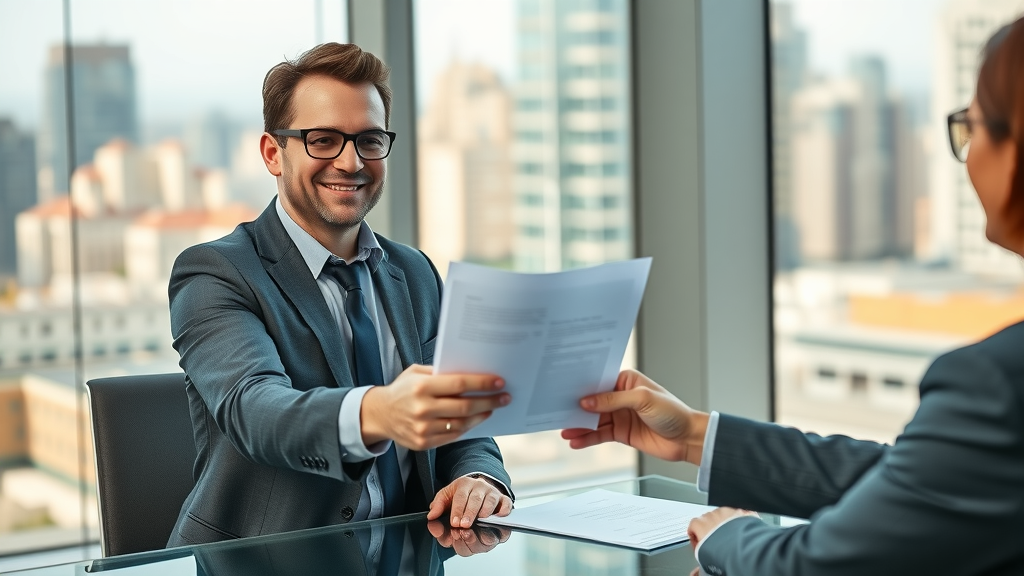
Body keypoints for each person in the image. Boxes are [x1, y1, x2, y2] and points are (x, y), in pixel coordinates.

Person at [563, 17, 1024, 576]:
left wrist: (727, 539)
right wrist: (695, 436)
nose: (969, 153)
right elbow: (922, 485)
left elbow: (819, 566)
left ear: (1014, 151)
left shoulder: (998, 383)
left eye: (971, 126)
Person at [167, 43, 513, 547]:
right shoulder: (215, 272)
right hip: (263, 560)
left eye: (369, 140)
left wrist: (478, 477)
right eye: (323, 140)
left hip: (411, 552)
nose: (351, 162)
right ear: (273, 153)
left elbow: (458, 418)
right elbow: (256, 410)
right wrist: (380, 411)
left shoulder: (415, 272)